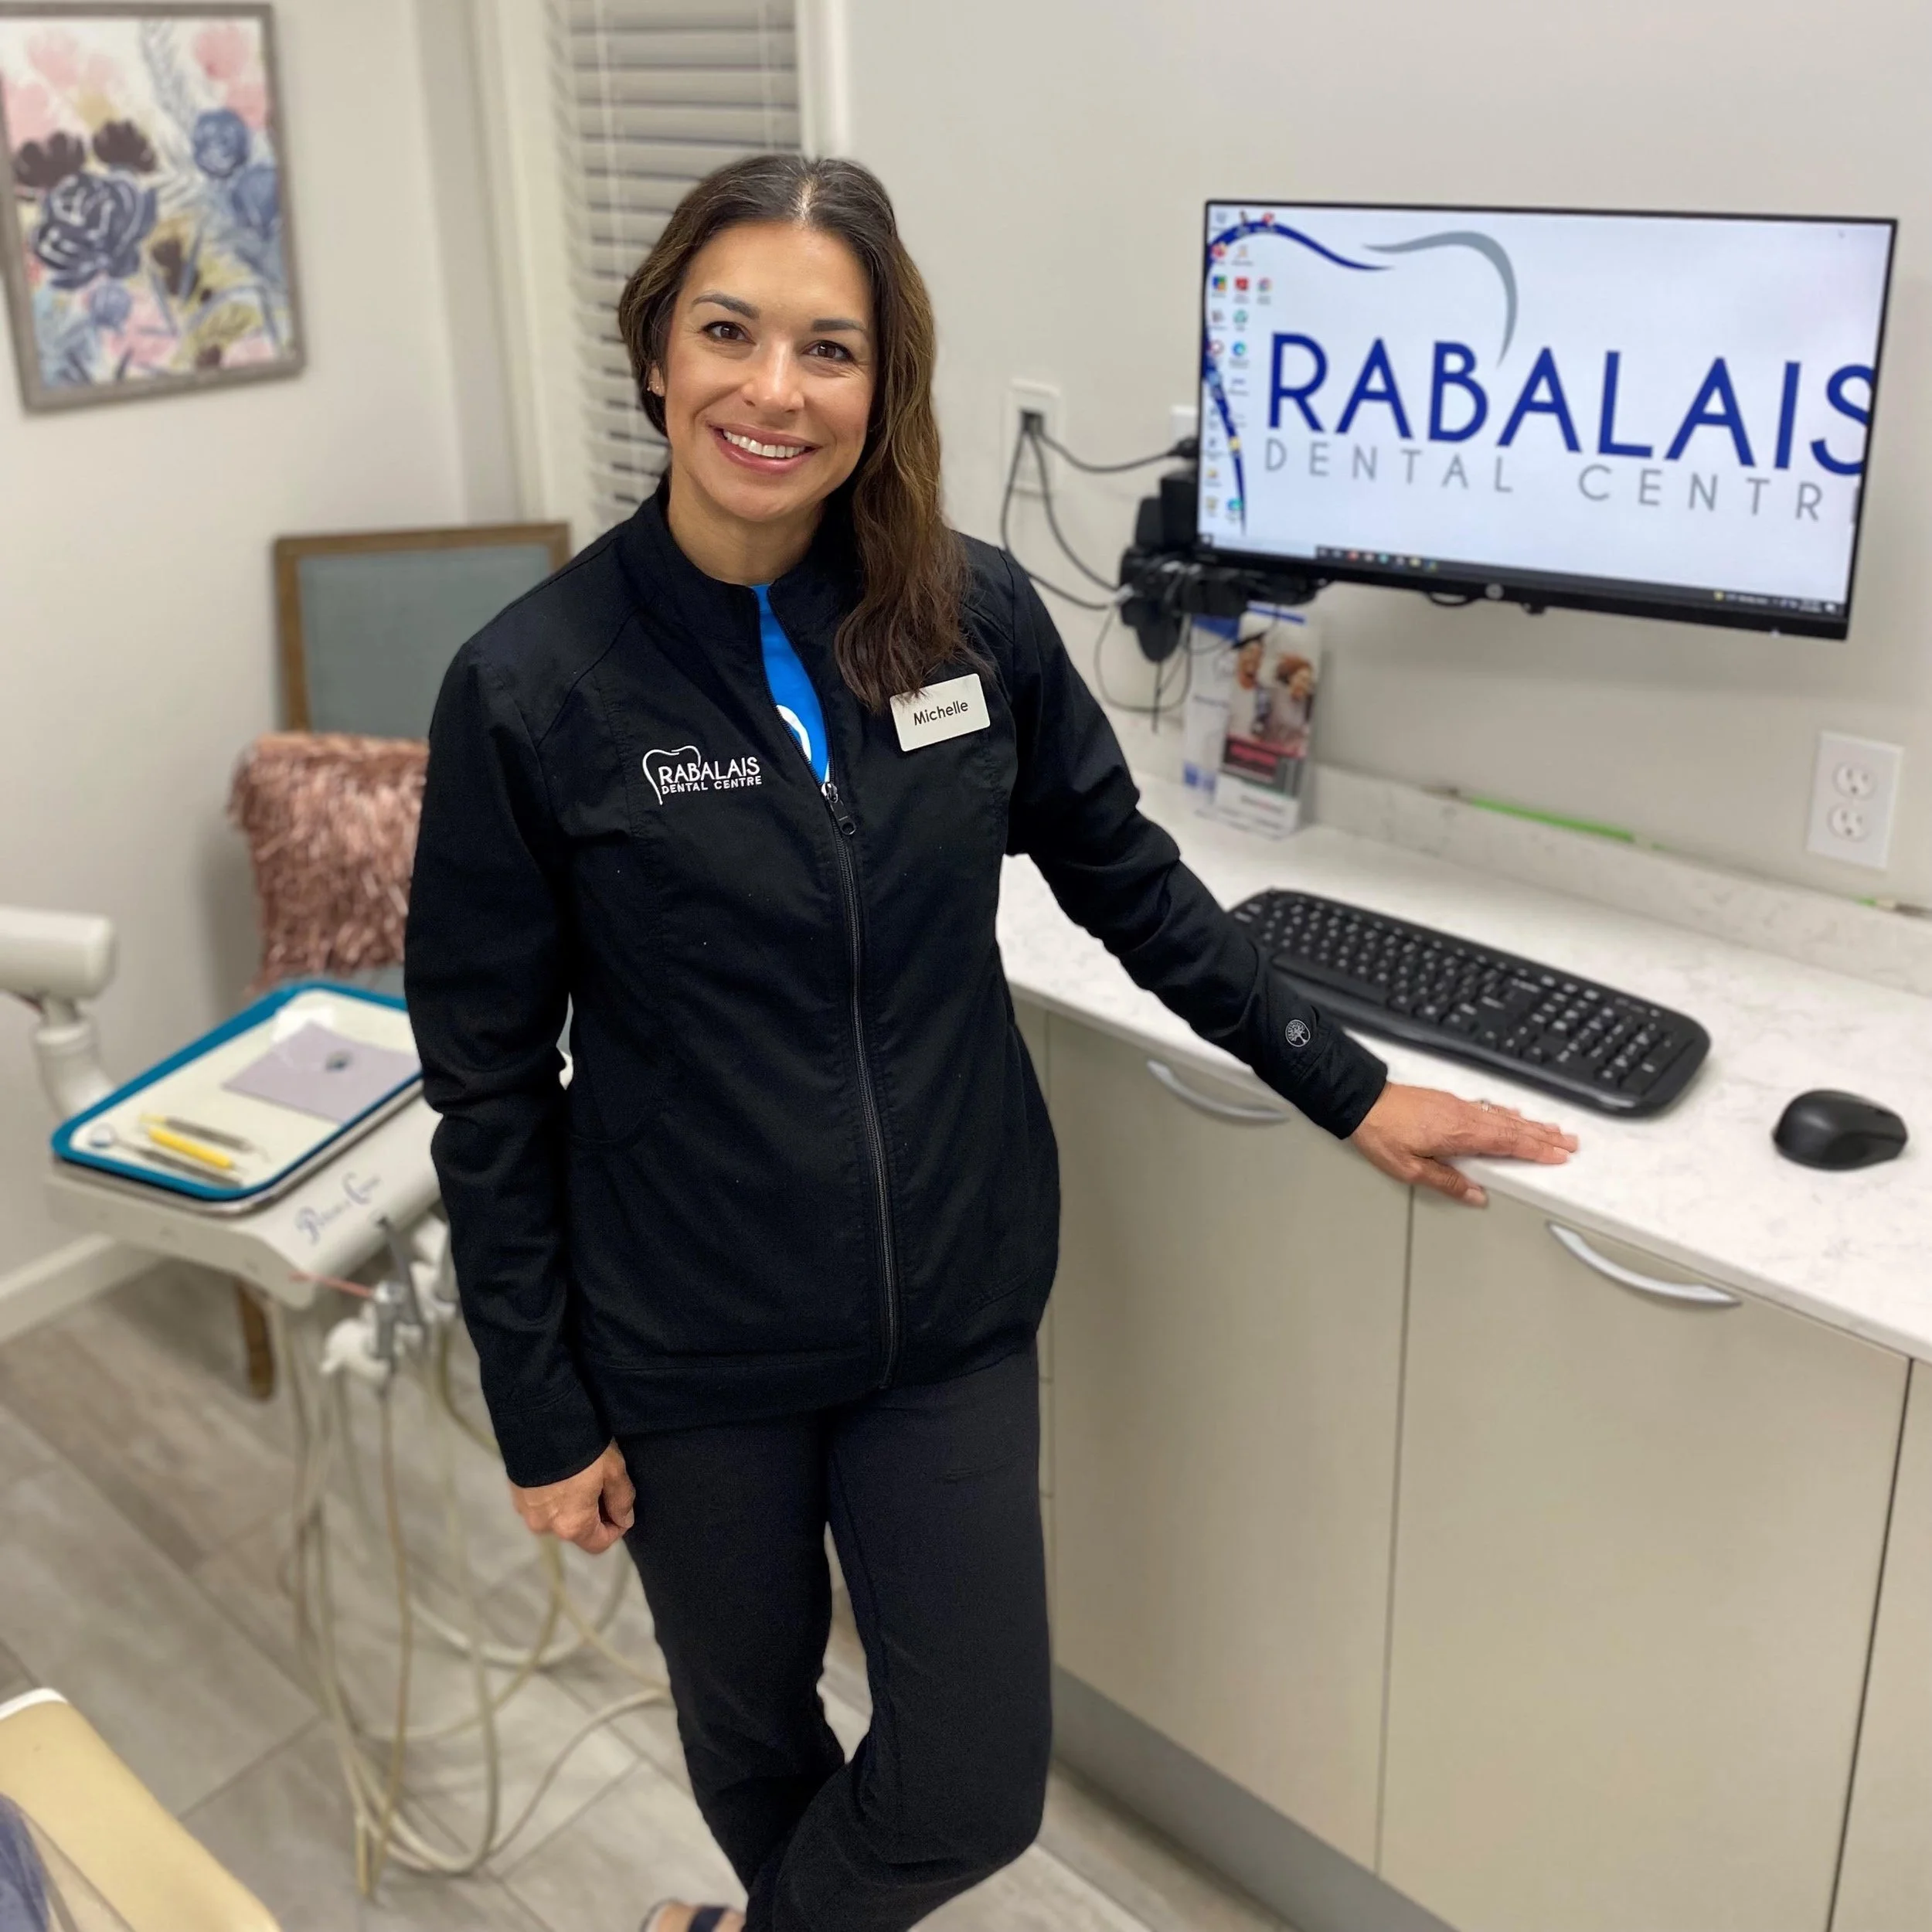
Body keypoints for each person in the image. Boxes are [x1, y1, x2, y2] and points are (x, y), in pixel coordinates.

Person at [403, 152, 1577, 1932]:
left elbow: (1127, 879)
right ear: (656, 351)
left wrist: (1345, 1085)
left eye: (828, 349)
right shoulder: (531, 687)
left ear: (883, 389)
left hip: (942, 1309)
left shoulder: (966, 618)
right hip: (687, 1337)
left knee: (966, 1784)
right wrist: (539, 1404)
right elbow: (487, 1080)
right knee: (750, 1729)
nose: (772, 391)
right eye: (728, 332)